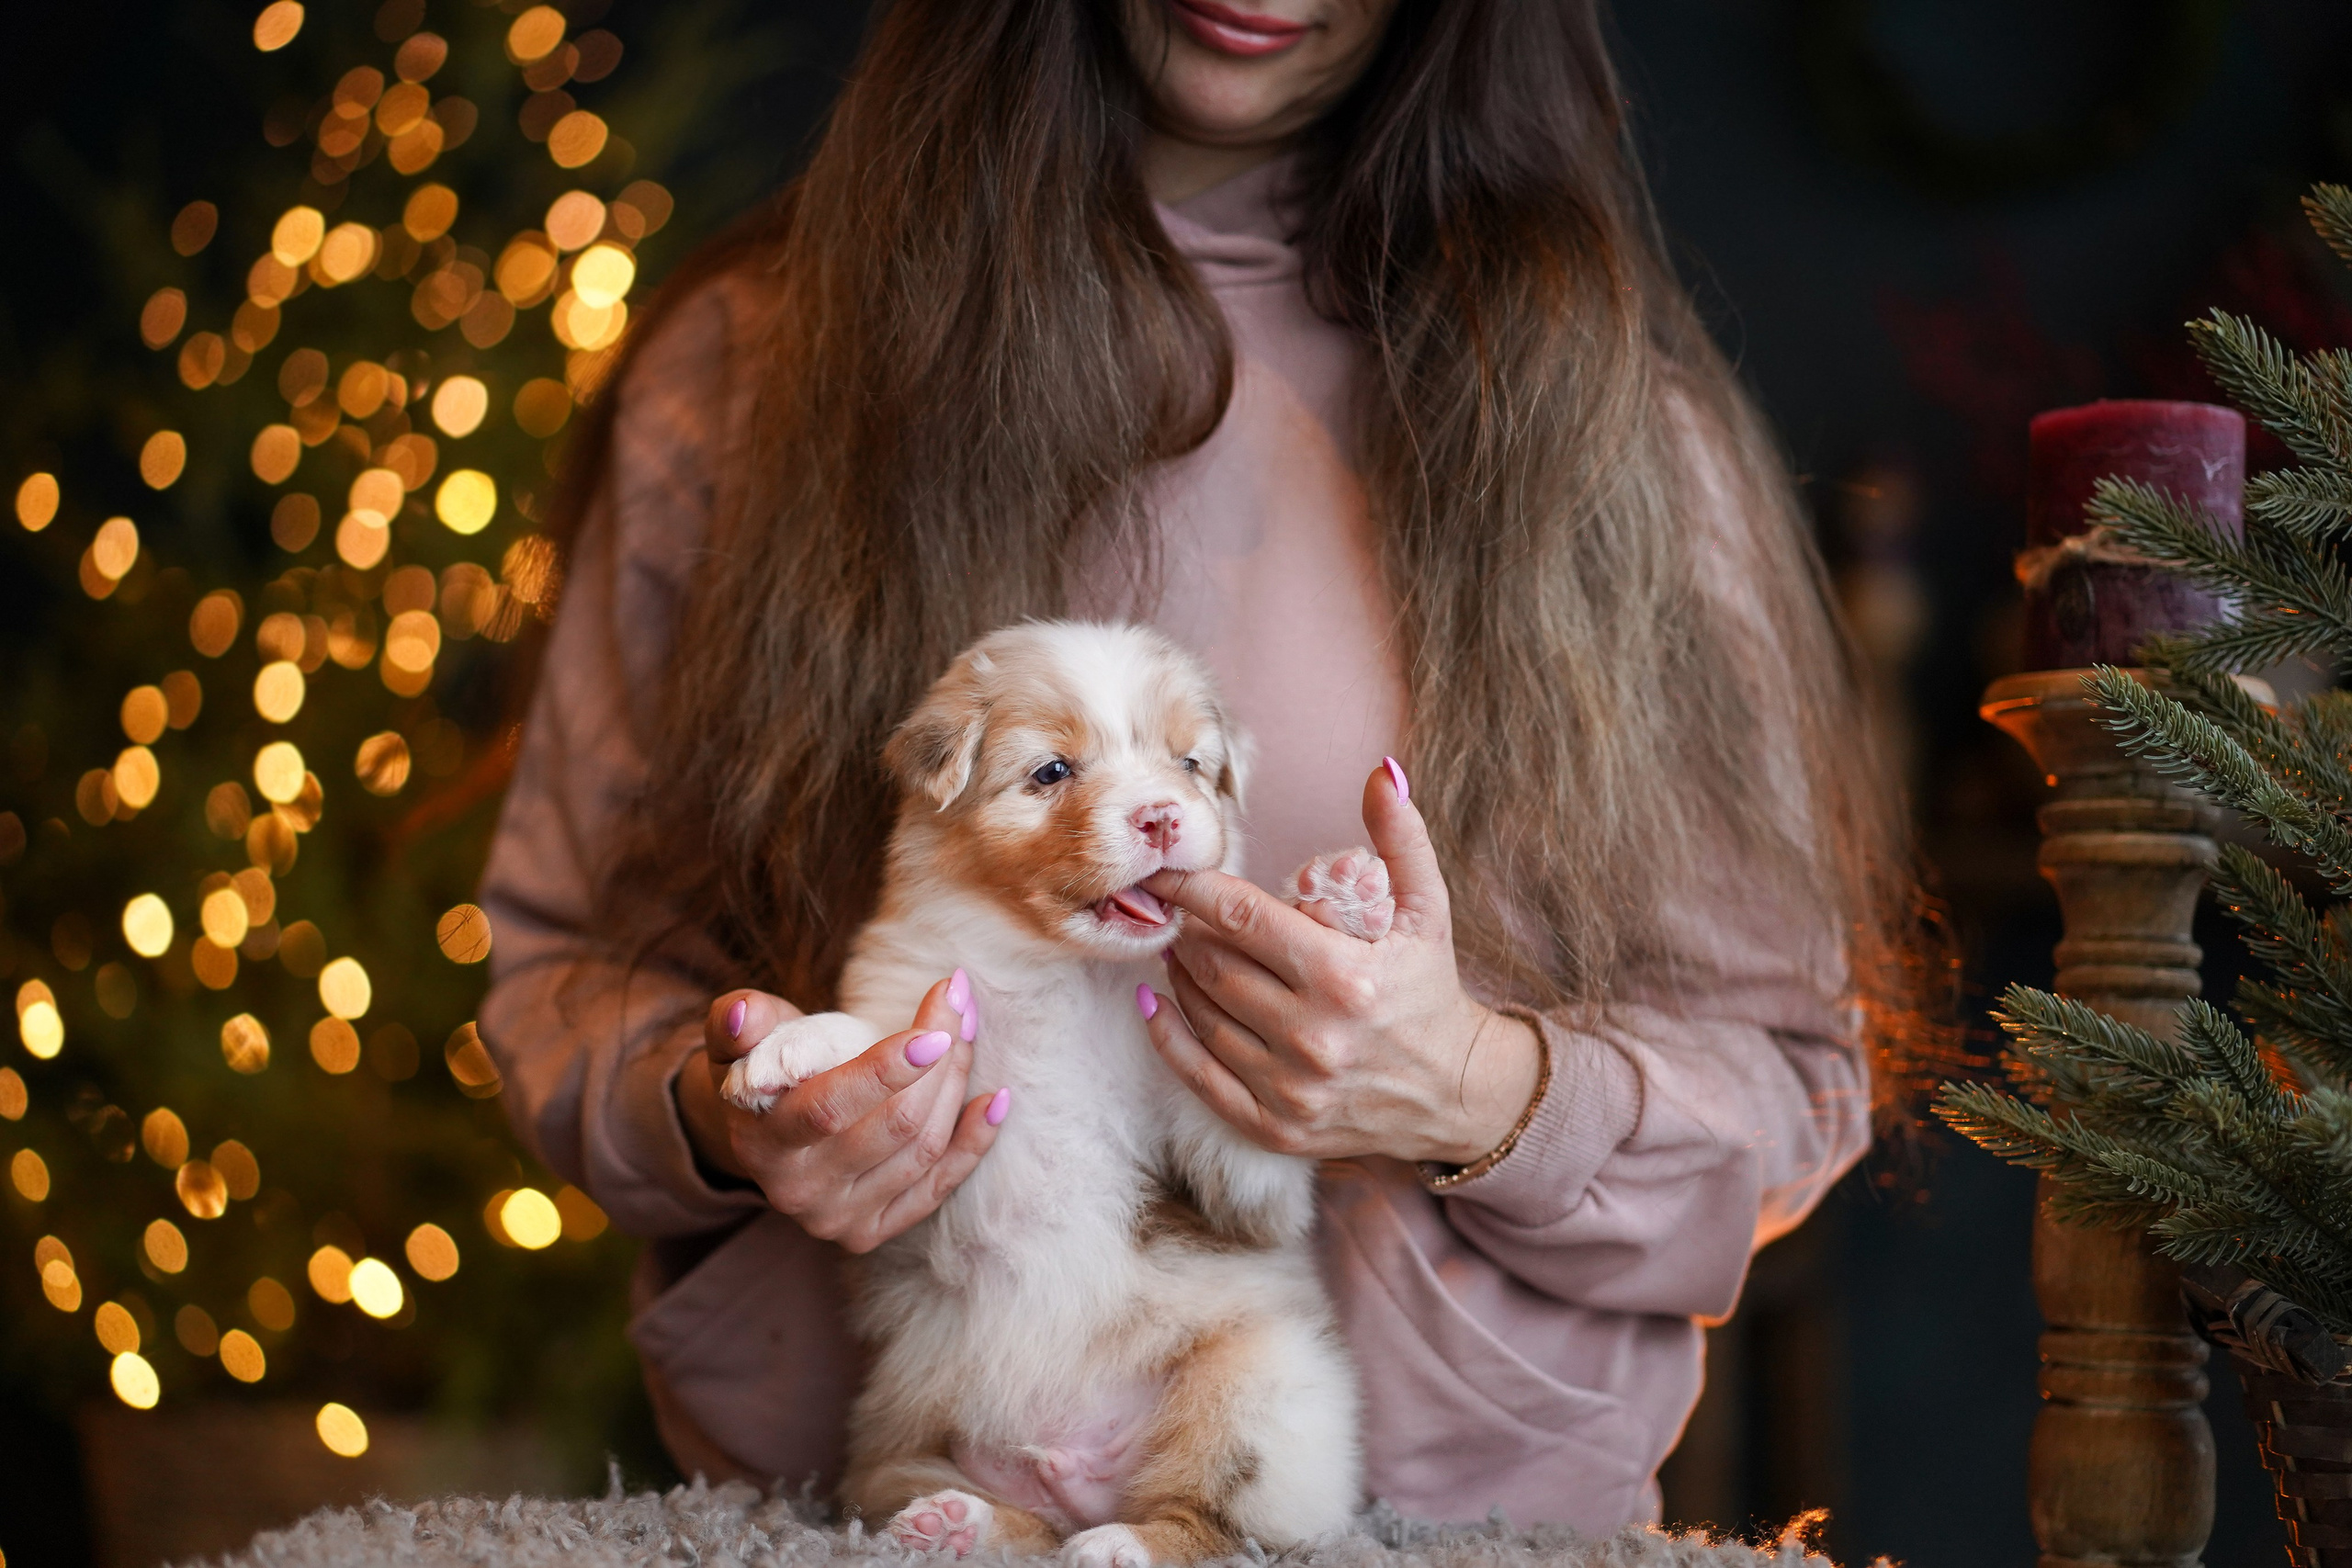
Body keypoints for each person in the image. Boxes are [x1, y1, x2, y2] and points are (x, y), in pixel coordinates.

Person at [478, 0, 1917, 1535]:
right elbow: (565, 974)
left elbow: (1792, 1075)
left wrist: (1480, 1090)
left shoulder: (1616, 425)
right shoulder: (759, 367)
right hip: (867, 1510)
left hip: (1465, 1530)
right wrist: (725, 1110)